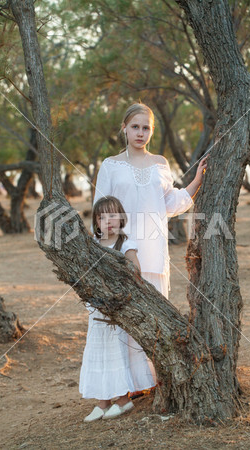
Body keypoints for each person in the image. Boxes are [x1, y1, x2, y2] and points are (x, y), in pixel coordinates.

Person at [93, 103, 207, 299]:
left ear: (151, 131)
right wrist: (102, 254)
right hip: (118, 253)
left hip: (153, 251)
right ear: (124, 128)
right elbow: (99, 212)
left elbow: (170, 203)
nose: (140, 133)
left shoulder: (160, 163)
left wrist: (196, 181)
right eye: (135, 127)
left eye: (146, 128)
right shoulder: (110, 165)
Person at [80, 196, 156, 422]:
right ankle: (102, 403)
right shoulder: (92, 244)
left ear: (121, 218)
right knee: (98, 351)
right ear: (96, 221)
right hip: (97, 308)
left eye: (113, 215)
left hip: (117, 307)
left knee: (116, 352)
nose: (108, 221)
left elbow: (134, 272)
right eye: (102, 217)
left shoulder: (125, 244)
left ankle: (123, 400)